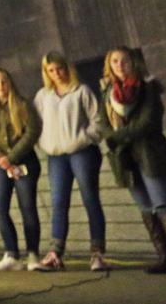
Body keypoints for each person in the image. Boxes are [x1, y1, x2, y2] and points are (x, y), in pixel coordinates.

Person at [32, 52, 108, 271]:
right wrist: (43, 143)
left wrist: (84, 138)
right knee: (58, 203)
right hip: (56, 156)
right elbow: (35, 124)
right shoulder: (43, 96)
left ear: (67, 67)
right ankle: (55, 253)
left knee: (90, 199)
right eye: (51, 70)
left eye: (60, 68)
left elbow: (98, 120)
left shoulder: (81, 91)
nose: (57, 74)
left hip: (82, 152)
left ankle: (97, 253)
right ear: (46, 72)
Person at [100, 46, 166, 274]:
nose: (120, 65)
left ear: (133, 63)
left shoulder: (147, 87)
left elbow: (149, 121)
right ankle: (165, 257)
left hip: (150, 153)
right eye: (115, 61)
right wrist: (114, 137)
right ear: (110, 65)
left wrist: (118, 136)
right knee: (146, 207)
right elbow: (103, 124)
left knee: (162, 204)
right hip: (125, 158)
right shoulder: (107, 92)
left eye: (124, 61)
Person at [0, 67, 43, 270]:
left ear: (10, 83)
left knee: (28, 208)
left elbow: (32, 131)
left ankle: (32, 254)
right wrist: (0, 158)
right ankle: (11, 254)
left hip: (24, 160)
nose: (0, 85)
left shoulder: (23, 104)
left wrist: (12, 157)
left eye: (4, 81)